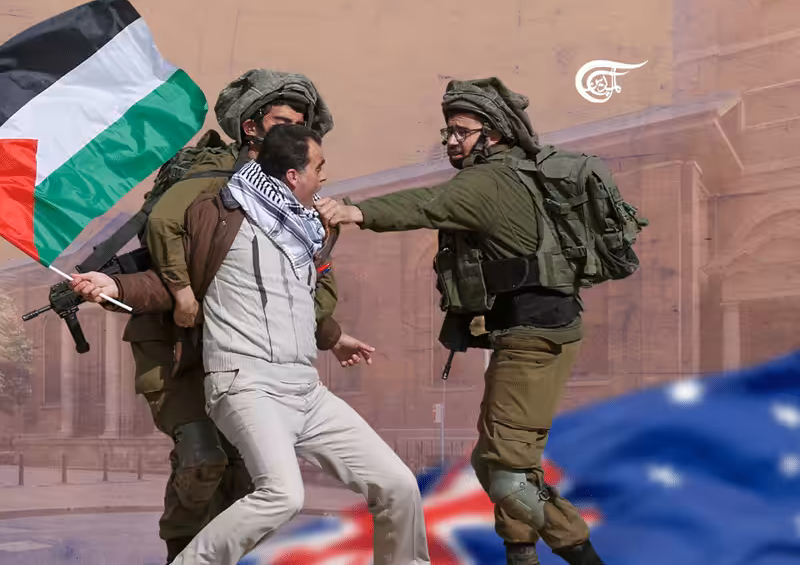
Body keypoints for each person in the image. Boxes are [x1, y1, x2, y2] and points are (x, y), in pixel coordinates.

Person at [315, 78, 610, 565]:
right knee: (504, 459)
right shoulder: (520, 171)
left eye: (460, 131)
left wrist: (354, 211)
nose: (450, 140)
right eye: (447, 130)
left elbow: (427, 204)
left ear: (491, 134)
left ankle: (583, 557)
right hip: (540, 333)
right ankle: (521, 554)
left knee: (506, 474)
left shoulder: (487, 179)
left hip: (531, 338)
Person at [117, 123, 426, 565]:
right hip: (245, 384)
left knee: (398, 485)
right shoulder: (219, 214)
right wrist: (114, 283)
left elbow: (293, 306)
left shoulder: (305, 232)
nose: (325, 177)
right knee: (283, 495)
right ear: (293, 176)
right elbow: (162, 272)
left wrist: (334, 338)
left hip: (305, 389)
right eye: (318, 167)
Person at [74, 69, 347, 564]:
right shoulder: (208, 184)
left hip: (245, 356)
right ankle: (180, 556)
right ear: (250, 127)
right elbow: (163, 237)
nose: (293, 132)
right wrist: (170, 291)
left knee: (250, 479)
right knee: (202, 459)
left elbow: (308, 285)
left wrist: (330, 332)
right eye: (282, 121)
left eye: (301, 125)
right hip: (178, 348)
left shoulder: (295, 203)